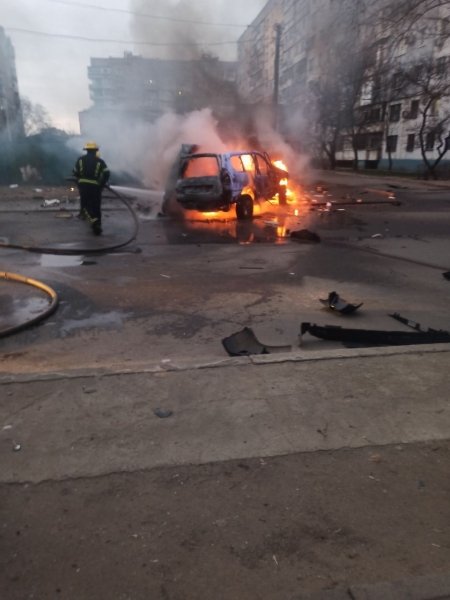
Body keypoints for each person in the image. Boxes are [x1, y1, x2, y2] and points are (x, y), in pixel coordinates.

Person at [73, 141, 110, 235]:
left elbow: (75, 172)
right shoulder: (100, 161)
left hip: (83, 186)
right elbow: (107, 173)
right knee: (96, 206)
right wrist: (102, 184)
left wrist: (80, 179)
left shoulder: (80, 159)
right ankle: (97, 224)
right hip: (95, 187)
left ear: (87, 150)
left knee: (85, 205)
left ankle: (90, 219)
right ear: (96, 150)